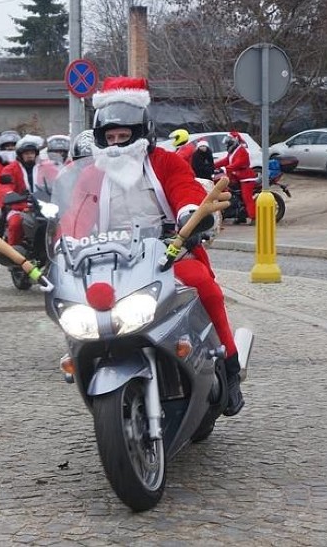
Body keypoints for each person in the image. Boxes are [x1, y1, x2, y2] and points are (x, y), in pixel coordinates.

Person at [61, 75, 244, 415]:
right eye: (110, 137)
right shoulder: (91, 175)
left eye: (123, 136)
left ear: (141, 132)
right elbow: (77, 215)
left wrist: (190, 213)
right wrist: (64, 241)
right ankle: (88, 362)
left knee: (203, 285)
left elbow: (183, 188)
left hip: (167, 253)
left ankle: (228, 365)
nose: (116, 144)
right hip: (110, 262)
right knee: (78, 305)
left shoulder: (165, 161)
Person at [0, 134, 58, 247]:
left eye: (32, 153)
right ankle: (13, 254)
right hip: (20, 206)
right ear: (20, 155)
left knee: (60, 222)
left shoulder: (46, 166)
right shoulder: (10, 169)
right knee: (15, 223)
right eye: (26, 153)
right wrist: (10, 194)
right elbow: (5, 186)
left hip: (43, 205)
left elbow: (58, 178)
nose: (30, 156)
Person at [215, 131, 256, 224]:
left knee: (247, 197)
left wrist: (224, 168)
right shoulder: (233, 151)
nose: (227, 144)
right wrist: (213, 165)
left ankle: (254, 217)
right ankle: (240, 216)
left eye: (228, 142)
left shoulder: (242, 151)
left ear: (234, 141)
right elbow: (226, 160)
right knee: (234, 194)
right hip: (237, 177)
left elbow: (238, 163)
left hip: (246, 178)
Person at [0, 130, 21, 209]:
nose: (10, 148)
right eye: (7, 146)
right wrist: (3, 203)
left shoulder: (23, 163)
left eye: (13, 145)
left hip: (25, 200)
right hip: (7, 202)